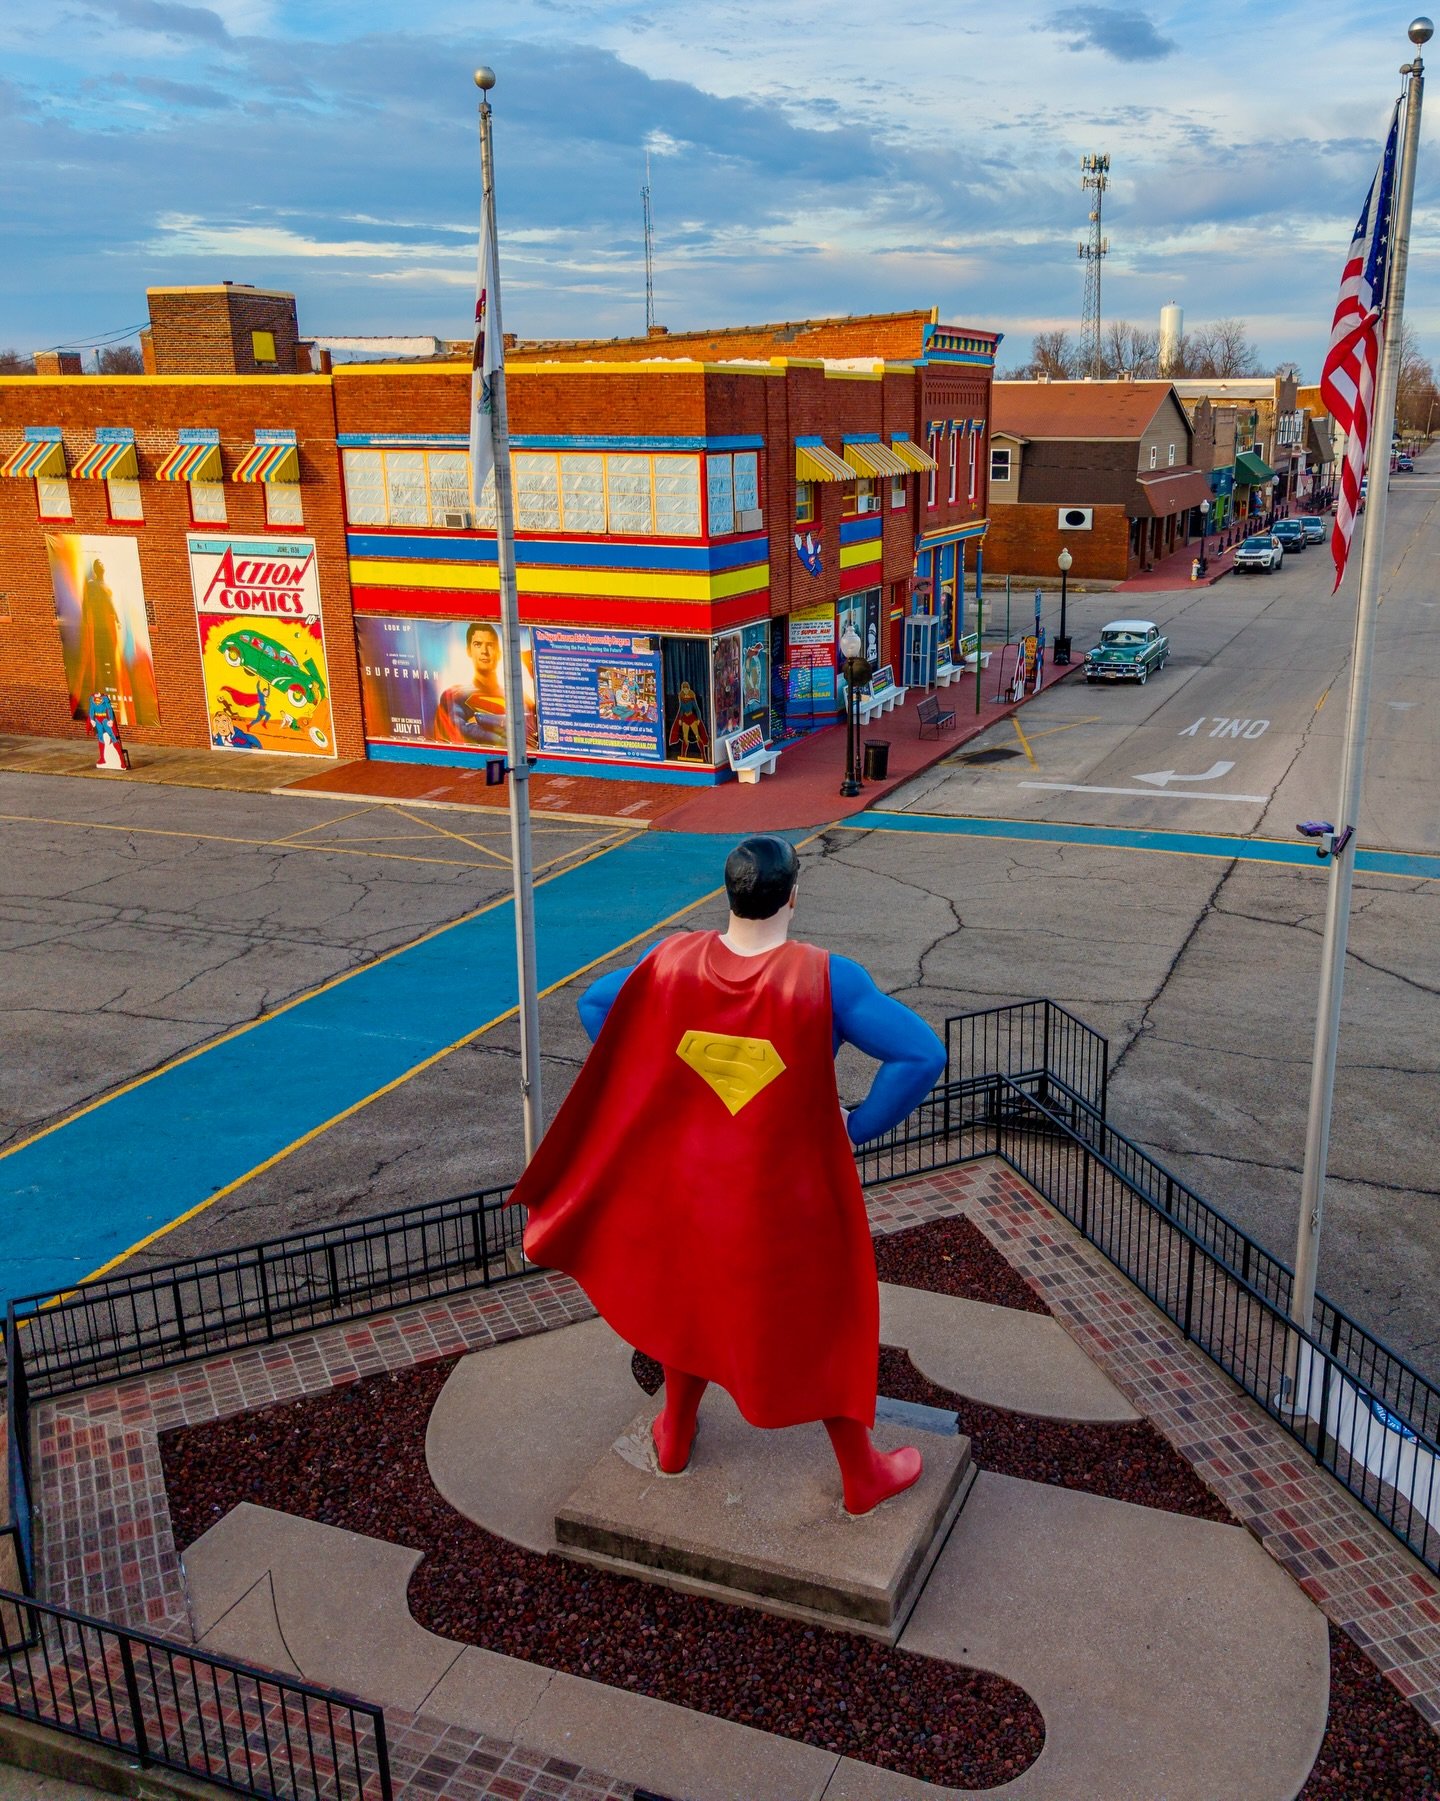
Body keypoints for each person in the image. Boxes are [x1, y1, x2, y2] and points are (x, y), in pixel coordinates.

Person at [511, 836, 947, 1516]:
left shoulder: (673, 960)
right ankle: (861, 1474)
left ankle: (676, 1433)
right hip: (787, 1196)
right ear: (793, 896)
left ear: (730, 895)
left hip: (692, 1186)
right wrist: (853, 1126)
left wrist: (663, 1081)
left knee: (690, 1299)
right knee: (831, 1320)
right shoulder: (825, 978)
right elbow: (921, 1054)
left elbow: (598, 1005)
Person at [433, 621, 506, 748]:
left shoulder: (519, 697)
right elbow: (462, 733)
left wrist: (480, 722)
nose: (484, 651)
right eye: (478, 644)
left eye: (490, 645)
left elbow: (528, 732)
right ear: (469, 651)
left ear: (499, 653)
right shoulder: (454, 696)